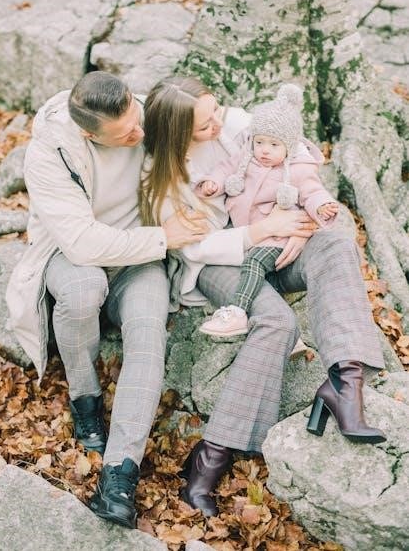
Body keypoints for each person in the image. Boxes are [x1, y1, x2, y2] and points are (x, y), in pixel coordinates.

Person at [141, 75, 386, 518]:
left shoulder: (237, 124)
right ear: (179, 133)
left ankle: (345, 383)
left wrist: (300, 222)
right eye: (204, 125)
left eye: (216, 111)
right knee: (277, 322)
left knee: (335, 242)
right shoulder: (163, 175)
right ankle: (210, 458)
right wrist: (262, 230)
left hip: (276, 248)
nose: (219, 124)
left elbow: (298, 154)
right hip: (219, 265)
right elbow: (195, 248)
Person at [5, 71, 211, 529]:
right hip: (73, 256)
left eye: (137, 119)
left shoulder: (144, 110)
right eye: (125, 134)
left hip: (140, 258)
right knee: (83, 291)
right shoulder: (50, 152)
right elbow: (81, 244)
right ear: (90, 135)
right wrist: (163, 237)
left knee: (148, 332)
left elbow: (212, 119)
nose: (139, 133)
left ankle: (120, 474)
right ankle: (86, 400)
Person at [195, 83, 339, 338]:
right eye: (259, 142)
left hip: (277, 236)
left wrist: (322, 206)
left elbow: (312, 191)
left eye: (274, 145)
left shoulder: (298, 168)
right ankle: (280, 322)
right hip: (250, 228)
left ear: (289, 147)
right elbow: (225, 168)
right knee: (247, 261)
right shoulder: (246, 156)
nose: (264, 150)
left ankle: (237, 311)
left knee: (254, 263)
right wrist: (213, 183)